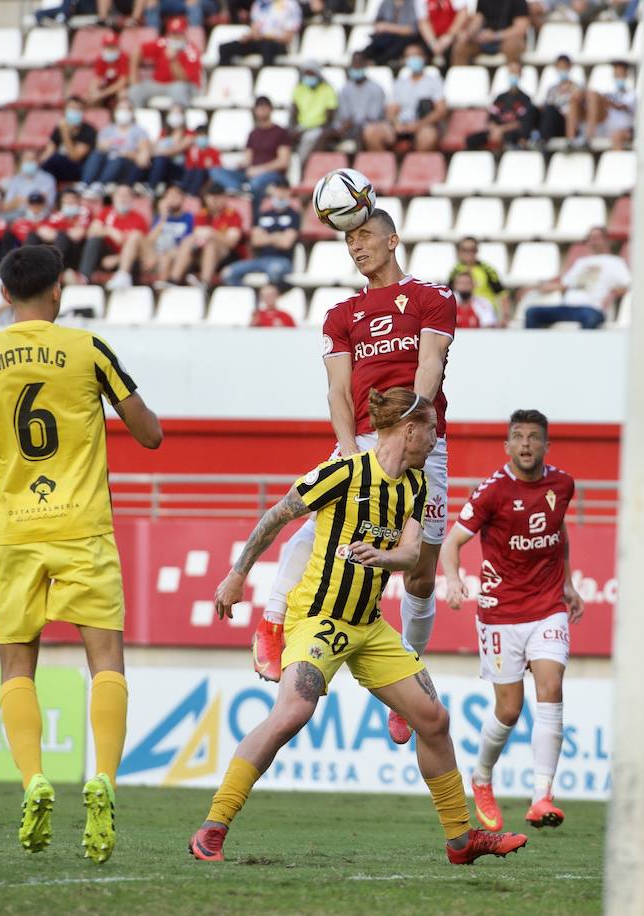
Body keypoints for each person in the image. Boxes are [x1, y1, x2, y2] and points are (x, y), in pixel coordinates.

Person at [188, 387, 526, 866]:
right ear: (409, 429)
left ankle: (460, 840)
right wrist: (237, 575)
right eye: (431, 430)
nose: (435, 439)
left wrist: (384, 556)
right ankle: (212, 828)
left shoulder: (415, 486)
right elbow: (277, 515)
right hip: (319, 618)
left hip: (369, 626)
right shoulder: (344, 473)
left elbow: (412, 554)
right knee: (292, 714)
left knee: (434, 720)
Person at [0, 245, 162, 863]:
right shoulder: (88, 349)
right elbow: (151, 434)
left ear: (4, 295)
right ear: (57, 291)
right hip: (82, 525)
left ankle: (33, 779)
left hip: (13, 532)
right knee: (105, 660)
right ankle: (104, 779)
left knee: (15, 668)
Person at [256, 209, 456, 750]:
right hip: (364, 441)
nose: (356, 246)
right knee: (315, 524)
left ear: (393, 239)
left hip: (423, 444)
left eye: (365, 235)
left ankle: (407, 673)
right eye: (349, 239)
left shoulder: (432, 298)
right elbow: (337, 393)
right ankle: (273, 621)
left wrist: (414, 428)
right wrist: (350, 458)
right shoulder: (341, 313)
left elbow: (430, 367)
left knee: (419, 576)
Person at [441, 409, 580, 830]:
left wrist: (568, 584)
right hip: (500, 612)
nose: (525, 444)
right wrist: (451, 579)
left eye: (533, 437)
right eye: (518, 436)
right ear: (507, 446)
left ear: (545, 445)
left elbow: (558, 533)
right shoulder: (492, 493)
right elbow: (453, 542)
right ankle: (482, 777)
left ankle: (542, 797)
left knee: (551, 688)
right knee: (509, 708)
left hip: (547, 607)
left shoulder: (563, 484)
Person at [526, 226, 629, 329]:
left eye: (596, 238)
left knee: (589, 317)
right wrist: (539, 287)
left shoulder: (615, 262)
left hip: (593, 308)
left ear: (606, 240)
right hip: (568, 307)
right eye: (590, 238)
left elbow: (627, 284)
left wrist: (613, 294)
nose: (593, 241)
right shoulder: (581, 262)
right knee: (532, 313)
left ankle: (584, 345)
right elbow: (564, 285)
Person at [209, 96, 292, 210]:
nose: (262, 110)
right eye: (259, 107)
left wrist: (260, 169)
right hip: (251, 173)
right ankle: (241, 191)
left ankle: (245, 196)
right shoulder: (253, 133)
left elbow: (283, 162)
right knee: (216, 171)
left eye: (264, 107)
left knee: (256, 183)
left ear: (271, 109)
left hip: (272, 174)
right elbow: (247, 159)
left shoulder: (280, 132)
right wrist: (239, 164)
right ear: (255, 110)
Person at [367, 43, 448, 152]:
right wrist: (396, 123)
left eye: (416, 55)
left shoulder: (434, 82)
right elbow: (391, 110)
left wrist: (419, 125)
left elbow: (441, 111)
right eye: (409, 56)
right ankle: (386, 166)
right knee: (371, 132)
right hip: (401, 126)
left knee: (428, 136)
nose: (413, 59)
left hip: (423, 126)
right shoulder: (399, 83)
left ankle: (417, 167)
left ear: (424, 58)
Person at [114, 184, 195, 289]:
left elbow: (189, 243)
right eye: (169, 196)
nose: (172, 199)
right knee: (136, 235)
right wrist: (163, 218)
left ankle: (167, 287)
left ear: (183, 198)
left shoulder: (189, 217)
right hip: (155, 254)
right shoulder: (159, 217)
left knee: (166, 258)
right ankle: (122, 276)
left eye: (176, 196)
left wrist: (171, 253)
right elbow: (150, 240)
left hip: (176, 255)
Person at [221, 179, 299, 286]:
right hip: (260, 259)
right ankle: (250, 298)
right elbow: (255, 241)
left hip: (282, 259)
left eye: (284, 190)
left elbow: (286, 243)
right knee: (229, 273)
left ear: (289, 192)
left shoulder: (294, 215)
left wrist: (266, 237)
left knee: (275, 272)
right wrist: (277, 236)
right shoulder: (264, 214)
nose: (280, 193)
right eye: (278, 189)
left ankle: (268, 299)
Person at [169, 181, 246, 287]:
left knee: (211, 244)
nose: (214, 201)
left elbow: (231, 242)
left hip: (227, 256)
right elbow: (197, 237)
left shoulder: (233, 215)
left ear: (224, 198)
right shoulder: (202, 214)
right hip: (200, 254)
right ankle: (173, 280)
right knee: (189, 240)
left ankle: (205, 283)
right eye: (211, 197)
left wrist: (212, 233)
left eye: (218, 197)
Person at [77, 184, 150, 284]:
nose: (123, 198)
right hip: (106, 255)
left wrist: (117, 259)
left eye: (126, 195)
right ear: (114, 197)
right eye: (120, 195)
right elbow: (91, 232)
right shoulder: (106, 212)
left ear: (132, 199)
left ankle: (122, 276)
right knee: (94, 240)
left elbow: (143, 248)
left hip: (127, 261)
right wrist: (109, 231)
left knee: (135, 241)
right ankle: (84, 277)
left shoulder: (139, 219)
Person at [128, 19, 204, 110]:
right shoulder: (163, 43)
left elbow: (183, 79)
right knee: (135, 90)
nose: (175, 37)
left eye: (179, 34)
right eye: (173, 33)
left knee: (178, 88)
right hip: (159, 84)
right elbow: (138, 51)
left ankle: (178, 119)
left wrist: (173, 60)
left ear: (184, 34)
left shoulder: (192, 51)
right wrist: (133, 79)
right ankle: (136, 120)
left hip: (186, 86)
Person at [83, 99, 152, 190]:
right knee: (96, 154)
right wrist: (104, 146)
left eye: (126, 109)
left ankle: (100, 185)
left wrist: (127, 154)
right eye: (120, 109)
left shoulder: (139, 131)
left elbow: (143, 156)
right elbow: (99, 147)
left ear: (132, 112)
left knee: (118, 160)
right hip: (107, 162)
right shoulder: (107, 130)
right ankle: (85, 184)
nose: (123, 112)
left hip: (126, 164)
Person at [471, 60, 535, 150]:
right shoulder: (500, 98)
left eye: (515, 72)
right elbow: (490, 118)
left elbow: (521, 123)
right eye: (511, 72)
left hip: (510, 133)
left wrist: (501, 130)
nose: (513, 75)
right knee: (472, 140)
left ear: (520, 74)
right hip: (497, 131)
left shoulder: (525, 99)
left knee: (511, 137)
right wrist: (495, 130)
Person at [330, 54, 389, 149]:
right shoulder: (345, 89)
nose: (356, 68)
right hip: (348, 126)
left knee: (362, 130)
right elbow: (344, 115)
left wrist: (354, 123)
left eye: (359, 65)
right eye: (354, 65)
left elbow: (373, 117)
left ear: (365, 65)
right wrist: (346, 124)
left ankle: (357, 160)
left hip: (368, 126)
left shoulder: (376, 88)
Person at [286, 60, 338, 162]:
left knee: (309, 138)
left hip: (319, 127)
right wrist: (293, 129)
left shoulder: (327, 90)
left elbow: (329, 118)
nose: (309, 77)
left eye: (312, 74)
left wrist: (308, 129)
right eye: (307, 74)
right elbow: (294, 113)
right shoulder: (299, 89)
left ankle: (303, 166)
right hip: (301, 127)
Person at [217, 0, 302, 63]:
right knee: (225, 48)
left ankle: (267, 80)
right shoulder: (259, 4)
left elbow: (287, 38)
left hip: (278, 44)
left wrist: (264, 36)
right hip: (259, 42)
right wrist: (249, 36)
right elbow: (254, 28)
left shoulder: (291, 5)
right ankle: (227, 81)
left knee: (267, 47)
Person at [30, 188, 92, 274]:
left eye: (72, 202)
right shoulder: (58, 216)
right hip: (59, 250)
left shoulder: (84, 212)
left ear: (78, 202)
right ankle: (29, 268)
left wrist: (59, 234)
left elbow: (78, 235)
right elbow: (42, 231)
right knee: (33, 235)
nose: (69, 205)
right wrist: (61, 234)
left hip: (77, 252)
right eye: (66, 202)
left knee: (62, 236)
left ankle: (53, 271)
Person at [453, 0, 530, 66]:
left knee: (512, 46)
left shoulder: (518, 1)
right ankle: (462, 80)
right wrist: (470, 33)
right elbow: (478, 19)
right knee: (462, 46)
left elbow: (520, 29)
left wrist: (495, 36)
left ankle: (512, 79)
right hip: (485, 41)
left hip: (506, 39)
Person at [42, 99, 100, 185]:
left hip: (78, 169)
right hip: (56, 167)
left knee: (56, 159)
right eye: (72, 108)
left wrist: (65, 133)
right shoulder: (58, 129)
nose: (74, 112)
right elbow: (48, 153)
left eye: (78, 109)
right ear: (65, 111)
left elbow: (75, 157)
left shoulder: (88, 130)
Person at [582, 59, 636, 150]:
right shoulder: (607, 93)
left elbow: (623, 107)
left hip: (624, 129)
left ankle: (619, 161)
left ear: (626, 74)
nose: (618, 76)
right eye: (616, 73)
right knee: (589, 97)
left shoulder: (632, 94)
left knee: (617, 137)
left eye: (621, 73)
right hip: (605, 127)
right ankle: (585, 137)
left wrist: (605, 101)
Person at [450, 237, 507, 319]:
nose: (469, 253)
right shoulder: (455, 271)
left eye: (472, 250)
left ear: (477, 251)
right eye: (465, 250)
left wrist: (505, 317)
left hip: (486, 315)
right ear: (459, 251)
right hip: (460, 314)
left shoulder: (488, 270)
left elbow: (502, 294)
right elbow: (448, 294)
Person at [536, 55, 583, 144]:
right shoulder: (552, 89)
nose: (562, 70)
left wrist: (571, 89)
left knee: (551, 110)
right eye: (560, 67)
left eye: (564, 67)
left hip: (569, 123)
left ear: (570, 67)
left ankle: (544, 140)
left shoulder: (577, 88)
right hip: (554, 122)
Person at [148, 105, 195, 191]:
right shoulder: (164, 133)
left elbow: (177, 149)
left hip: (181, 168)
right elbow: (153, 146)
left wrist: (159, 151)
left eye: (178, 113)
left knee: (160, 159)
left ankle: (151, 188)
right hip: (167, 166)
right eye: (173, 113)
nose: (175, 116)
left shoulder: (189, 133)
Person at [4, 149, 59, 216]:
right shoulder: (16, 180)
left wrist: (21, 200)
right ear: (21, 162)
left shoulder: (48, 179)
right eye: (26, 159)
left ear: (38, 161)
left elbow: (49, 205)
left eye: (32, 159)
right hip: (18, 215)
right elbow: (6, 206)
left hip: (42, 215)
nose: (29, 162)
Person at [86, 32, 132, 109]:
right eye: (108, 47)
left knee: (122, 94)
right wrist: (93, 91)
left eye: (112, 47)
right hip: (107, 86)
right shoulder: (100, 59)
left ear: (117, 47)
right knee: (91, 97)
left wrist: (103, 93)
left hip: (120, 88)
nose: (110, 49)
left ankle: (118, 116)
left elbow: (122, 82)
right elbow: (97, 78)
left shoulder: (123, 57)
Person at [181, 124, 220, 195]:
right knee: (196, 172)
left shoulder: (214, 152)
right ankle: (187, 193)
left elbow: (217, 169)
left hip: (207, 178)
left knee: (200, 172)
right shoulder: (192, 151)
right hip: (193, 177)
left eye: (204, 135)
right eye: (200, 135)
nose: (202, 138)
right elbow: (189, 167)